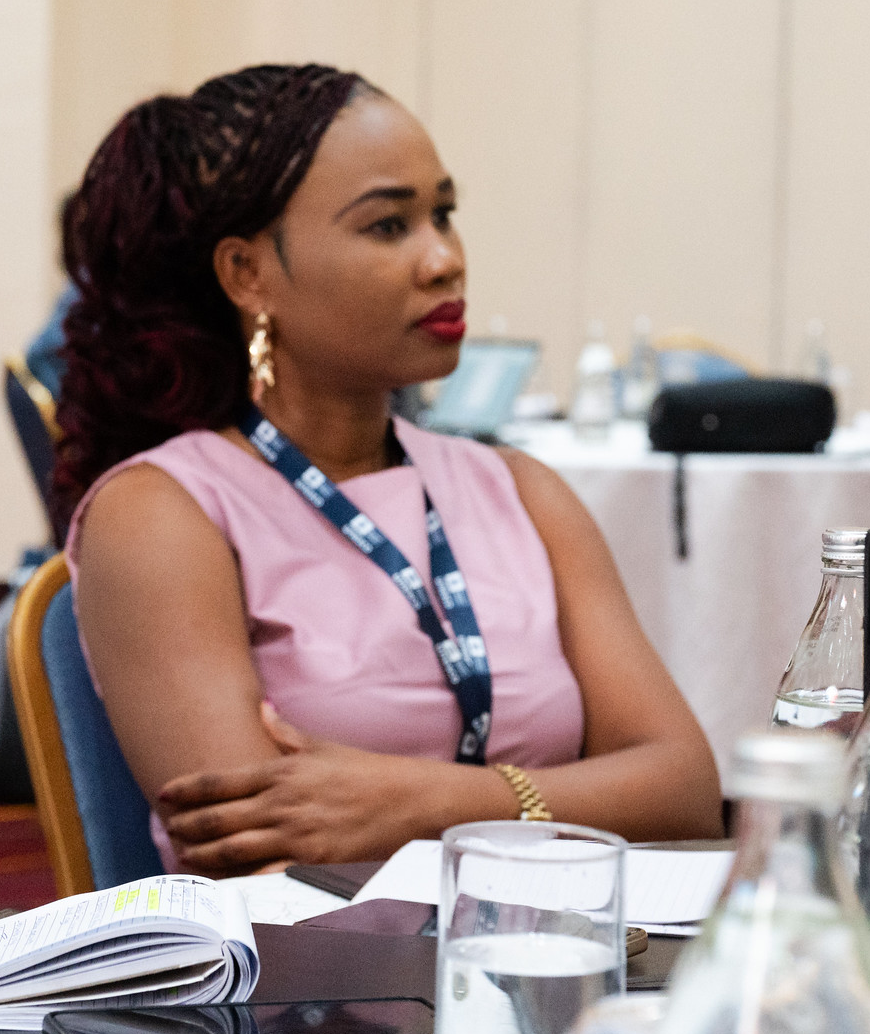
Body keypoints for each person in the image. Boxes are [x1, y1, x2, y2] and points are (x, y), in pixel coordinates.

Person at [58, 64, 723, 875]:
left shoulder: (519, 489)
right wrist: (568, 805)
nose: (444, 259)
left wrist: (421, 802)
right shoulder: (163, 513)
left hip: (553, 962)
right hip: (315, 992)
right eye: (387, 226)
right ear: (247, 274)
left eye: (443, 213)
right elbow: (262, 866)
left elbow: (685, 789)